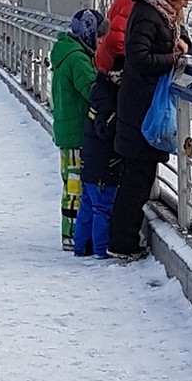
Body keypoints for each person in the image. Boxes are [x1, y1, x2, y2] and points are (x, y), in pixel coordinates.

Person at [108, 0, 192, 258]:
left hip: (142, 108)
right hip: (140, 111)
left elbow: (180, 37)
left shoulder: (162, 14)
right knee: (136, 181)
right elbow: (139, 60)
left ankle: (122, 242)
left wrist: (181, 44)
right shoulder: (149, 15)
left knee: (138, 179)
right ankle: (121, 245)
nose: (185, 5)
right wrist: (173, 58)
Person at [49, 8, 100, 248]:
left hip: (67, 130)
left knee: (70, 184)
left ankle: (71, 234)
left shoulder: (66, 52)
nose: (100, 40)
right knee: (75, 187)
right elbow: (92, 91)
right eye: (98, 35)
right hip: (76, 133)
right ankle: (71, 236)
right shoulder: (78, 59)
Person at [74, 57, 121, 257]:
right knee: (102, 209)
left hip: (91, 161)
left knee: (87, 206)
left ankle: (82, 247)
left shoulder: (98, 92)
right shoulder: (110, 99)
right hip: (104, 164)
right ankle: (101, 251)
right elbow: (104, 129)